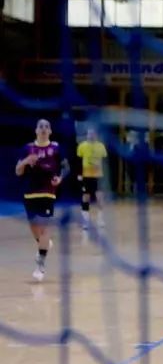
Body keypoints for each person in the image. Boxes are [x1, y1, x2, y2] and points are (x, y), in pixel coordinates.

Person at [15, 119, 70, 281]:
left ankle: (40, 264)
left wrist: (60, 178)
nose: (44, 129)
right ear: (36, 131)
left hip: (48, 192)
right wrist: (25, 162)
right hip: (30, 193)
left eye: (47, 127)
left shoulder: (56, 148)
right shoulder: (28, 148)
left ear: (50, 131)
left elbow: (66, 167)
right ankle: (43, 243)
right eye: (41, 127)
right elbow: (18, 171)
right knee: (35, 228)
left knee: (45, 227)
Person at [76, 128, 108, 230]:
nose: (91, 135)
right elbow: (78, 161)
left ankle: (100, 219)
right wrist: (79, 174)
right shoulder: (82, 146)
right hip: (86, 176)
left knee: (100, 198)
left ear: (96, 135)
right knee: (85, 197)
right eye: (89, 133)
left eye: (93, 133)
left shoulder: (101, 146)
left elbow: (104, 162)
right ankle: (85, 221)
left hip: (98, 176)